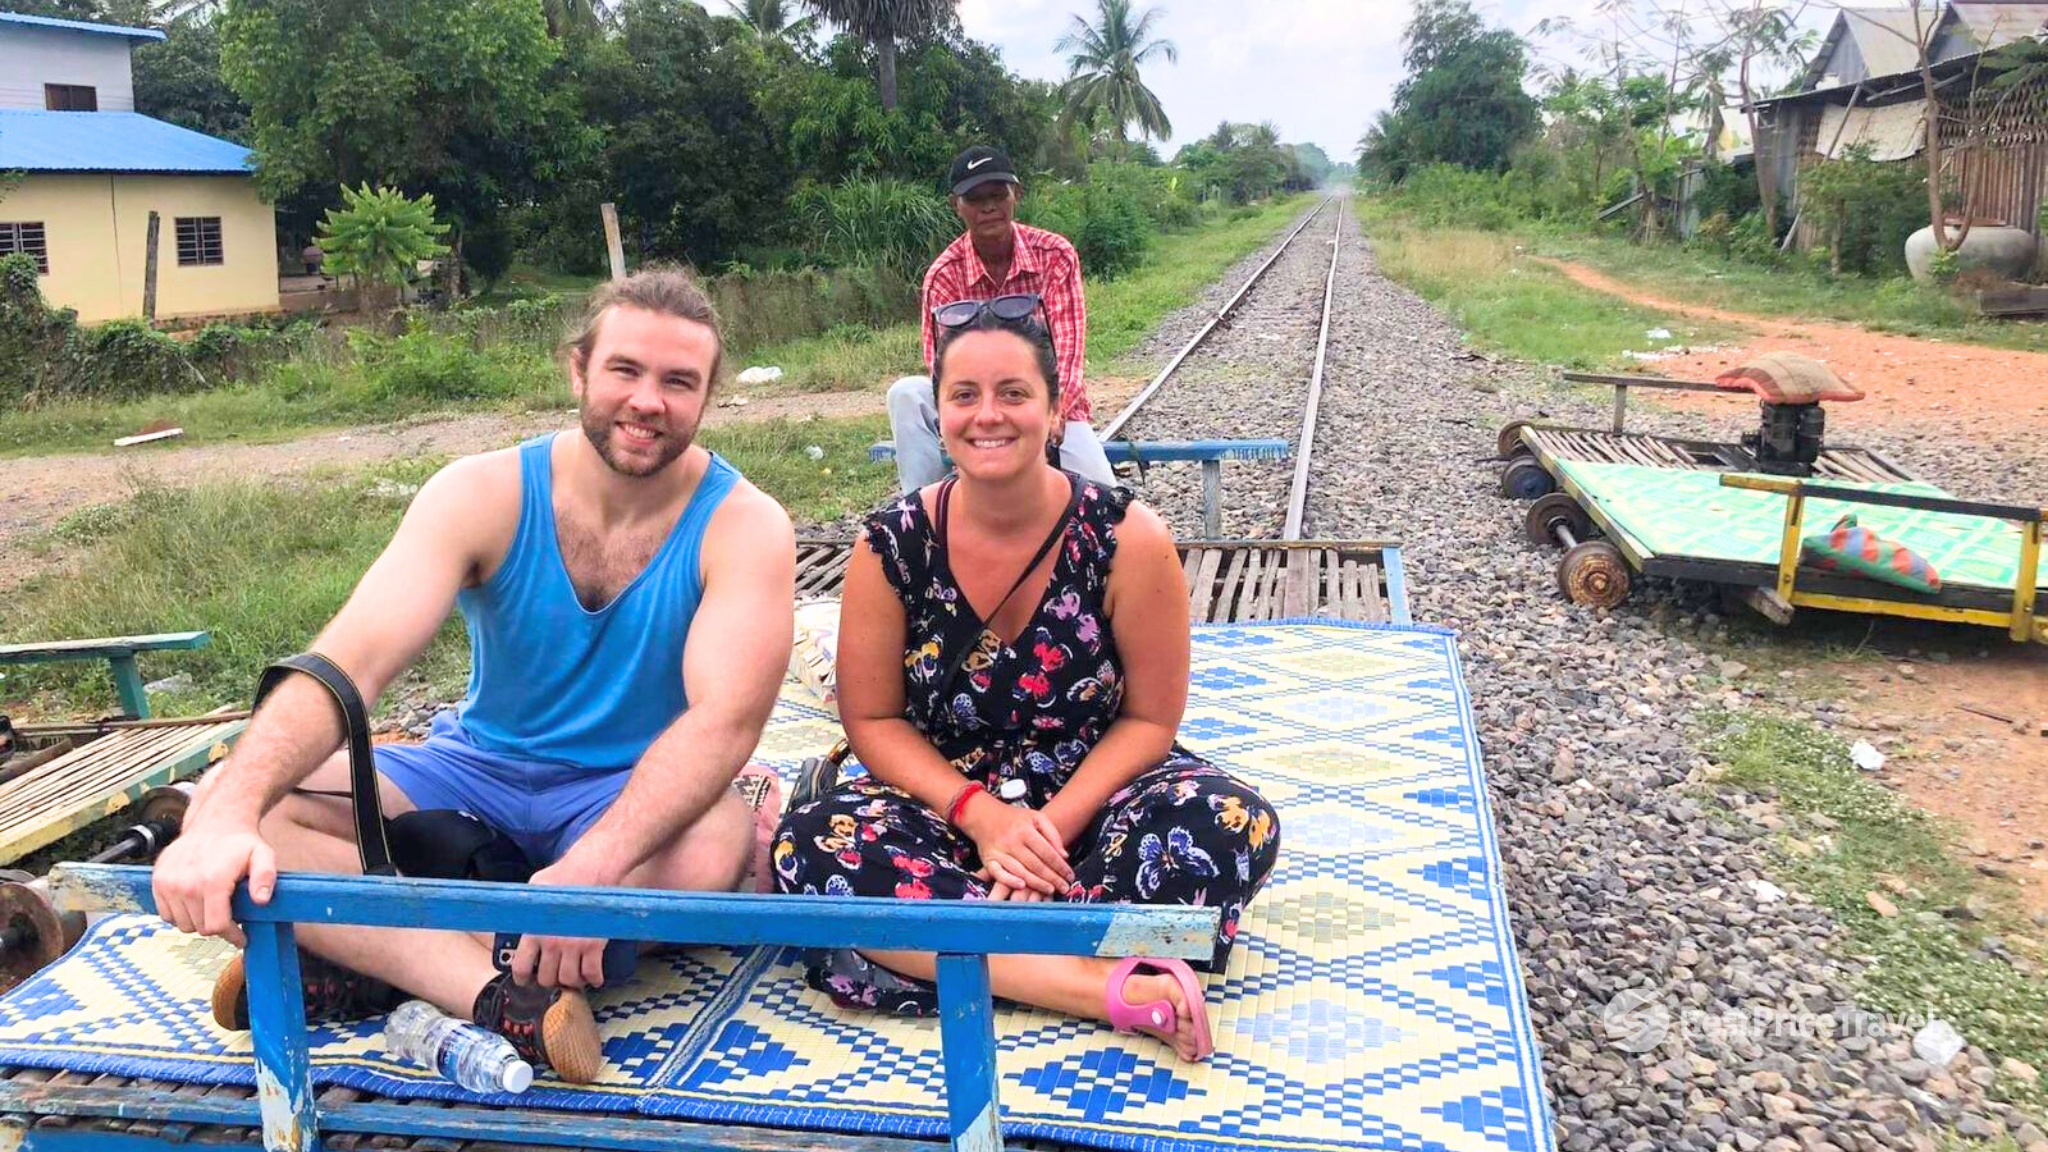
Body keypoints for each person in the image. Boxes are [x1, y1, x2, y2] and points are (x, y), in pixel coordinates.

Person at [151, 267, 798, 1085]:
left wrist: (594, 866)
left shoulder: (743, 524)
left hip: (630, 787)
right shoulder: (481, 492)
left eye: (679, 382)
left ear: (707, 397)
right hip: (473, 770)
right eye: (626, 371)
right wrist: (229, 814)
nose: (648, 401)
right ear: (578, 371)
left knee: (716, 846)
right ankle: (497, 993)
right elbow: (352, 661)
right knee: (237, 798)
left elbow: (725, 722)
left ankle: (365, 954)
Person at [775, 304, 1279, 1063]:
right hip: (947, 797)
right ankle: (1098, 981)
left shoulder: (1126, 537)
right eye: (965, 395)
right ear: (939, 414)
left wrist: (1044, 832)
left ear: (1053, 413)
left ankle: (966, 944)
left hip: (1095, 789)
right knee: (809, 845)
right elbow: (874, 720)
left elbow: (1149, 719)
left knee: (1230, 822)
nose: (988, 416)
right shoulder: (890, 547)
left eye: (1013, 393)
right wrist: (984, 820)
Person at [885, 145, 1117, 493]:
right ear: (956, 206)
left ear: (1016, 195)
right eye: (975, 199)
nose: (988, 207)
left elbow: (1067, 354)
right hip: (975, 400)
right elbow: (941, 367)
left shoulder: (1055, 255)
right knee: (905, 394)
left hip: (1046, 398)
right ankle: (922, 516)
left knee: (1106, 504)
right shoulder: (943, 275)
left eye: (997, 195)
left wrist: (1052, 412)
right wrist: (963, 424)